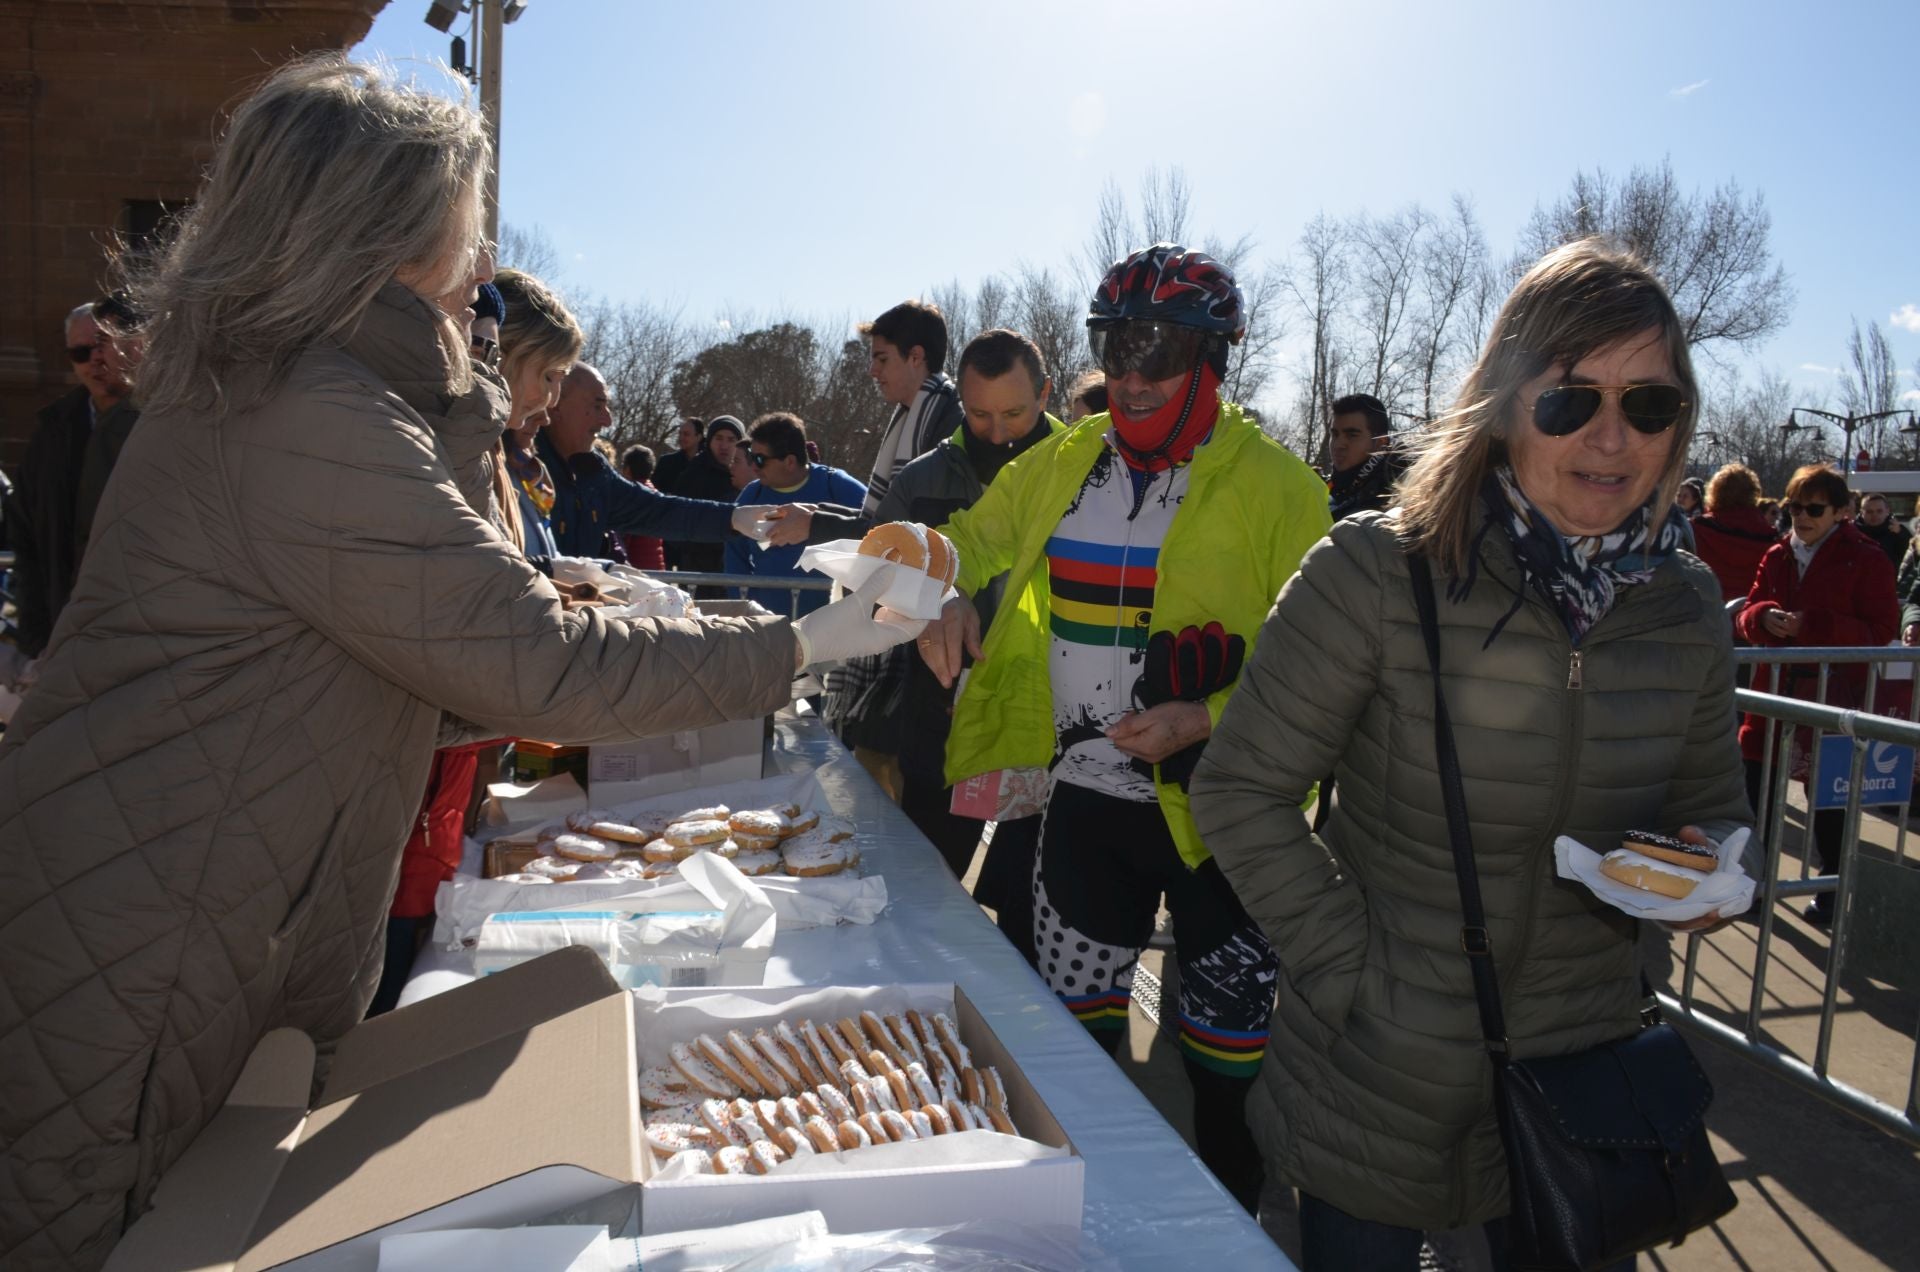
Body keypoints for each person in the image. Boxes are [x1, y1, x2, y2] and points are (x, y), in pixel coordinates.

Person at [0, 57, 920, 1270]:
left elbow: (398, 674)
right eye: (464, 224)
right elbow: (527, 657)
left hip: (199, 914)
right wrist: (792, 645)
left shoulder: (313, 387)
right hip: (146, 937)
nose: (481, 259)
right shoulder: (306, 407)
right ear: (380, 225)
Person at [1190, 238, 1751, 1269]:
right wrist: (1361, 973)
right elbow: (1241, 789)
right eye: (1572, 398)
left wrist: (1710, 866)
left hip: (1585, 1079)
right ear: (1504, 401)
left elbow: (1714, 801)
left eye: (1651, 406)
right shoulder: (1373, 572)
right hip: (1377, 1074)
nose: (1612, 436)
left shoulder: (1687, 607)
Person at [918, 244, 1332, 1214]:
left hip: (1229, 819)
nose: (1135, 376)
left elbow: (1331, 671)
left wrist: (1210, 716)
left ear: (1214, 357)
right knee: (1075, 1062)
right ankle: (1082, 1231)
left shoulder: (1282, 487)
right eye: (1116, 346)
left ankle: (1231, 1232)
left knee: (1226, 1086)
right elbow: (964, 539)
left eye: (1163, 350)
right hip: (1089, 805)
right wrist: (937, 585)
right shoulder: (1064, 458)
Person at [879, 329, 1065, 940]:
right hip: (943, 714)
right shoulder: (920, 479)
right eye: (979, 413)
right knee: (921, 891)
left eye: (1015, 412)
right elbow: (880, 575)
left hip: (1049, 722)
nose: (999, 432)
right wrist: (928, 599)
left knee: (1032, 909)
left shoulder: (1087, 475)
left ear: (1045, 393)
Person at [1735, 465, 1897, 926]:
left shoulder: (1867, 558)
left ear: (1841, 512)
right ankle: (1754, 884)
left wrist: (1816, 625)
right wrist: (1762, 617)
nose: (1801, 516)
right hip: (1775, 691)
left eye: (1813, 508)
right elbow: (1747, 611)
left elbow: (1881, 629)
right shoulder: (1776, 554)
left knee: (1829, 803)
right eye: (1793, 507)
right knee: (1756, 792)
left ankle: (1830, 889)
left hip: (1834, 697)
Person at [3, 297, 138, 657]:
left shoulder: (161, 421)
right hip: (67, 627)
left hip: (136, 627)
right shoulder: (53, 431)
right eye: (80, 353)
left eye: (101, 345)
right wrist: (35, 637)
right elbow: (28, 538)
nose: (95, 360)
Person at [539, 370, 758, 562]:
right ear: (556, 403)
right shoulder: (516, 468)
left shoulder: (596, 474)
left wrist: (734, 518)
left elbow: (659, 510)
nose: (607, 420)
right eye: (597, 406)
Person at [724, 412, 866, 618]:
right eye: (749, 457)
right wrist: (747, 606)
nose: (752, 466)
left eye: (759, 459)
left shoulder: (838, 487)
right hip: (769, 627)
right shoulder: (751, 495)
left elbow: (876, 529)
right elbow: (734, 557)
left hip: (831, 627)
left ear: (790, 462)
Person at [491, 268, 580, 558]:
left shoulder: (494, 452)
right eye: (548, 377)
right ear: (506, 353)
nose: (551, 402)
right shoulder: (463, 448)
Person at [1691, 462, 1778, 602]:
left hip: (1706, 613)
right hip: (1751, 613)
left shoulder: (1697, 530)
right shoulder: (1770, 537)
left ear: (1714, 492)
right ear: (1753, 493)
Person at [1324, 392, 1404, 521]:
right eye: (1335, 434)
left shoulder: (1401, 497)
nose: (1338, 444)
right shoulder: (1328, 488)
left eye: (1352, 435)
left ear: (1380, 443)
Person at [619, 444, 668, 570]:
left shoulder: (629, 498)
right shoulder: (656, 495)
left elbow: (623, 540)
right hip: (656, 566)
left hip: (636, 568)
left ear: (627, 469)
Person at [1854, 492, 1909, 571]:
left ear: (1887, 511)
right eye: (1869, 511)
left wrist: (1900, 534)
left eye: (1879, 511)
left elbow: (1909, 559)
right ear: (1862, 512)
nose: (1874, 515)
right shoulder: (1853, 531)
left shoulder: (1897, 531)